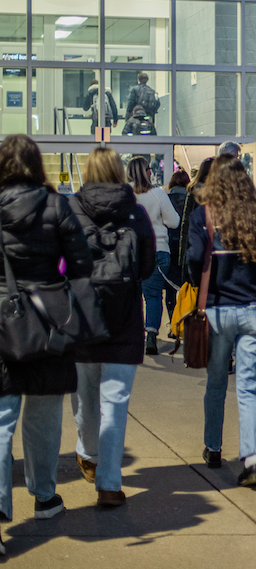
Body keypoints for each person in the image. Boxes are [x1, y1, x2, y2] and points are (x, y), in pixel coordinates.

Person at [0, 135, 94, 549]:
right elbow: (81, 265)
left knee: (1, 420)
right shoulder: (57, 205)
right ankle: (44, 497)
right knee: (44, 414)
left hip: (1, 321)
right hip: (47, 321)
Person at [68, 147, 156, 507]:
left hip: (82, 316)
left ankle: (88, 454)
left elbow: (60, 262)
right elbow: (146, 267)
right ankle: (108, 482)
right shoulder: (135, 211)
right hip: (125, 317)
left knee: (85, 395)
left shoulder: (71, 209)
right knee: (115, 401)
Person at [189, 155, 256, 488]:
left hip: (218, 309)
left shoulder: (205, 215)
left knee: (216, 383)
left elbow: (194, 259)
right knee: (248, 389)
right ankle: (252, 459)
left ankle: (213, 447)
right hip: (255, 308)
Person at [127, 157, 179, 356]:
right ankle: (151, 336)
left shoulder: (125, 194)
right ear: (145, 171)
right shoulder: (158, 193)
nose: (151, 171)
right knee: (153, 295)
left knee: (133, 295)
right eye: (149, 168)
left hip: (131, 251)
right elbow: (173, 222)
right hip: (158, 249)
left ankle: (134, 336)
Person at [164, 169, 190, 329]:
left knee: (170, 287)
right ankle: (185, 321)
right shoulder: (191, 200)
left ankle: (173, 322)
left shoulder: (166, 199)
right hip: (186, 247)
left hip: (169, 247)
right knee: (187, 285)